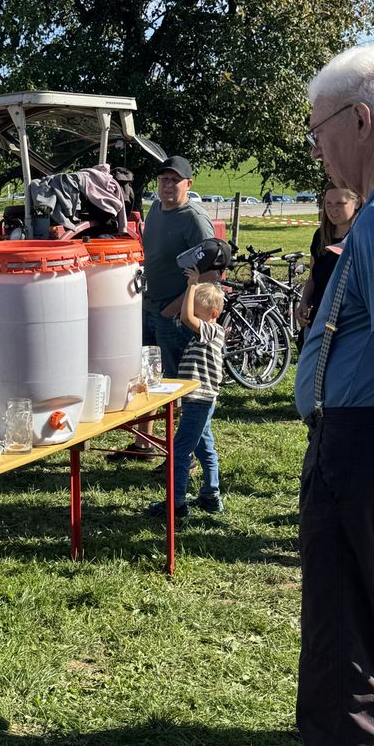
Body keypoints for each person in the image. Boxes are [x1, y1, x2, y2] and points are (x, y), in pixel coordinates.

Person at [294, 43, 374, 746]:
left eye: (320, 130)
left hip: (360, 454)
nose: (317, 149)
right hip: (356, 445)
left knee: (342, 667)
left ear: (360, 120)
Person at [120, 154, 215, 459]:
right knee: (145, 377)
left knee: (178, 386)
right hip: (148, 307)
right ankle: (144, 444)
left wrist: (175, 308)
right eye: (164, 179)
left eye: (175, 180)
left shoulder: (194, 219)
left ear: (189, 184)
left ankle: (184, 455)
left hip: (174, 316)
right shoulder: (156, 209)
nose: (168, 185)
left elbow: (211, 274)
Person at [146, 267, 225, 521]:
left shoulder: (212, 331)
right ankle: (211, 495)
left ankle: (177, 503)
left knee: (179, 451)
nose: (190, 317)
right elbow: (184, 316)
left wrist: (191, 285)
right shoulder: (202, 334)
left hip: (200, 400)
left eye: (197, 313)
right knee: (205, 447)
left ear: (213, 315)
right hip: (198, 400)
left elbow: (187, 317)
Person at [296, 186, 362, 342]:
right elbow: (313, 278)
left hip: (349, 324)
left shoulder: (362, 236)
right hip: (318, 320)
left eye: (340, 203)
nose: (333, 210)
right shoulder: (320, 236)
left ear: (357, 202)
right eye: (328, 203)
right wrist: (304, 302)